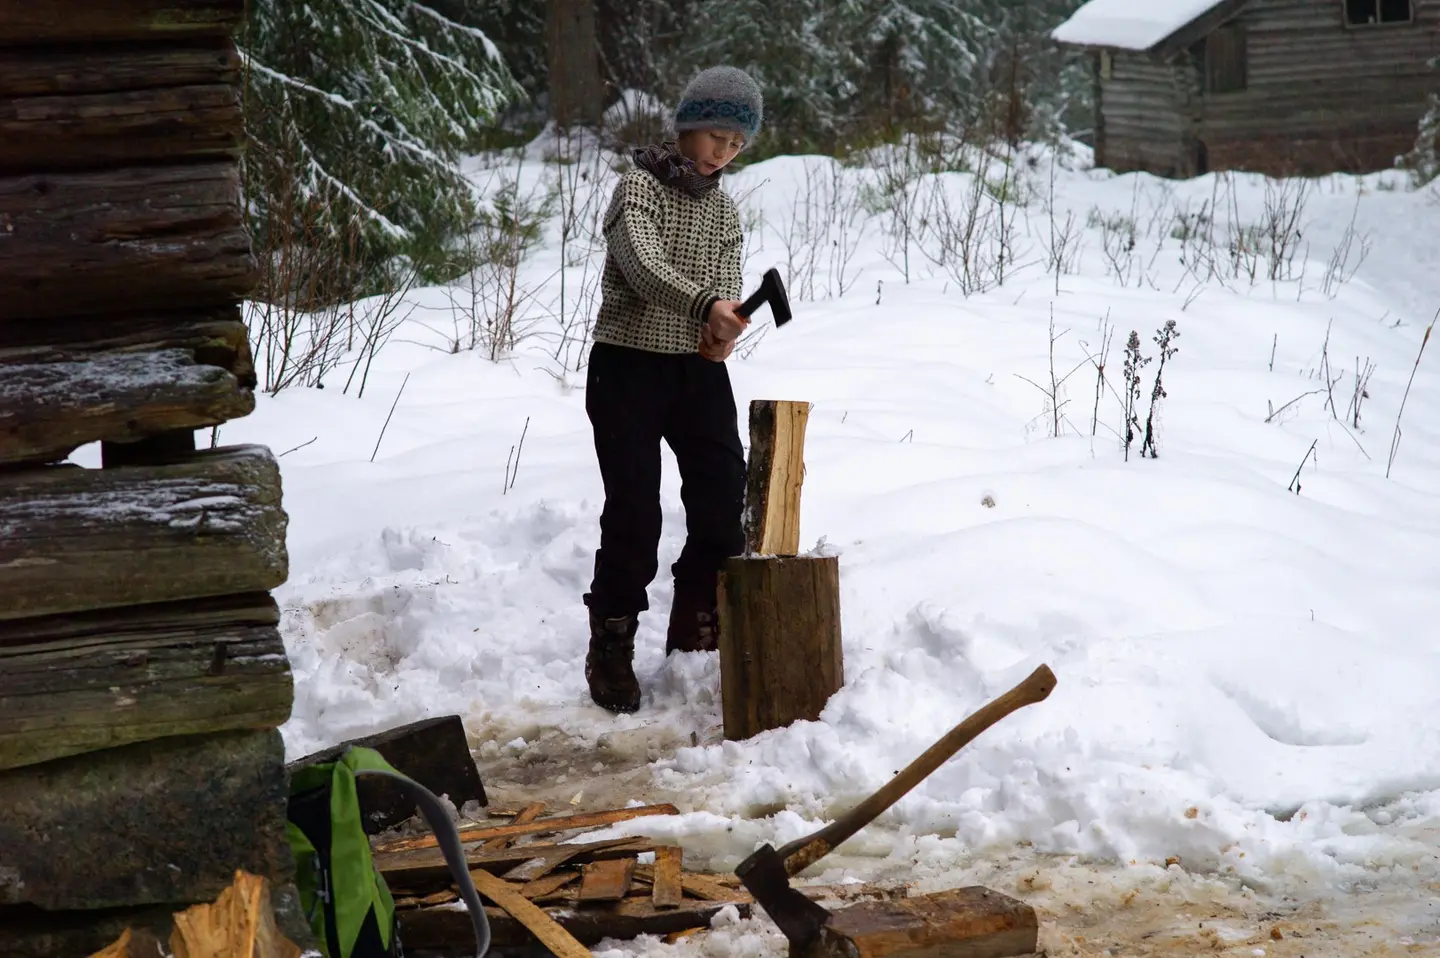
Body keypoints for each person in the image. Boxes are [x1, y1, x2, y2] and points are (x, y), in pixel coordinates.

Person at [581, 65, 764, 713]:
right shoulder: (640, 188)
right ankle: (612, 642)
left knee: (722, 500)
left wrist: (722, 331)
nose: (723, 153)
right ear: (688, 126)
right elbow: (643, 267)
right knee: (635, 514)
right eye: (716, 136)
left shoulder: (723, 207)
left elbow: (726, 282)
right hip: (626, 367)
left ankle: (693, 634)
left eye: (737, 145)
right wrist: (706, 304)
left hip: (695, 371)